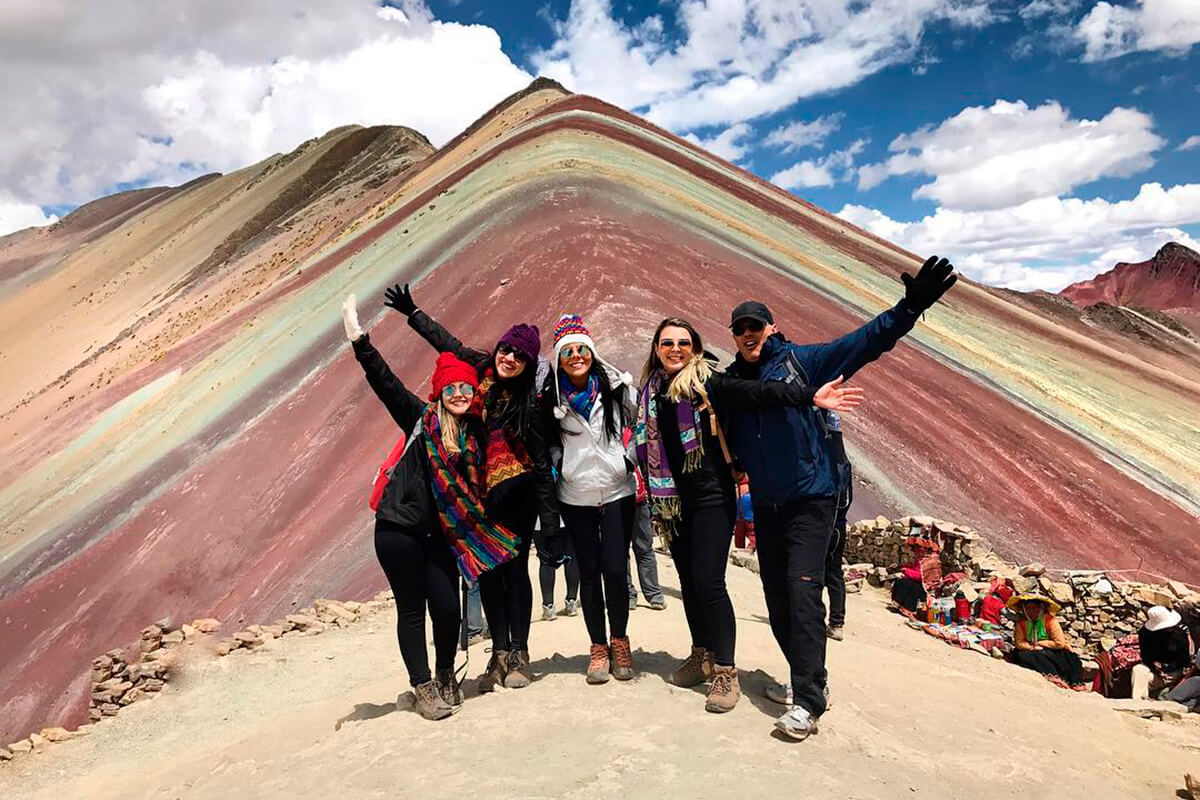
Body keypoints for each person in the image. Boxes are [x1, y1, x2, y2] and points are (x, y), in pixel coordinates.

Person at [722, 255, 957, 740]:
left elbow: (866, 342)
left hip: (812, 497)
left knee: (803, 591)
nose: (749, 334)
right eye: (740, 328)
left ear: (771, 327)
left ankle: (809, 702)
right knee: (777, 598)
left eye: (756, 326)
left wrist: (908, 309)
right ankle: (804, 679)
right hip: (766, 503)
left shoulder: (803, 363)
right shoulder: (734, 382)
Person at [634, 317, 864, 713]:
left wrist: (809, 396)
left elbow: (762, 393)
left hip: (711, 498)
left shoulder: (710, 383)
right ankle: (702, 652)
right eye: (667, 342)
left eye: (683, 343)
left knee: (708, 581)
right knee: (689, 581)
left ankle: (725, 670)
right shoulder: (650, 394)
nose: (675, 349)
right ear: (656, 348)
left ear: (695, 348)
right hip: (675, 501)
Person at [342, 294, 518, 719]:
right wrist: (359, 340)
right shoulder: (421, 420)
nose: (459, 393)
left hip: (441, 534)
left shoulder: (478, 435)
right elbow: (385, 382)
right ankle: (422, 688)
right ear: (439, 394)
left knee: (447, 608)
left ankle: (443, 676)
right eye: (451, 388)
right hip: (399, 528)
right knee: (412, 609)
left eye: (466, 388)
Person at [384, 284, 558, 692]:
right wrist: (413, 313)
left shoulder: (529, 404)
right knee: (488, 572)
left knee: (514, 572)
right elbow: (449, 345)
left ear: (529, 363)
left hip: (518, 497)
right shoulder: (479, 375)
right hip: (480, 494)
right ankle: (497, 654)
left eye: (519, 356)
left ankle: (518, 652)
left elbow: (541, 465)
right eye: (506, 350)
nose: (509, 358)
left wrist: (549, 521)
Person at [542, 313, 639, 684]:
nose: (576, 356)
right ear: (560, 359)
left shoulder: (616, 389)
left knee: (615, 568)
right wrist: (561, 465)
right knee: (589, 571)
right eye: (568, 352)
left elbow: (642, 421)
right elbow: (548, 442)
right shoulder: (553, 399)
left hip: (617, 490)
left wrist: (629, 458)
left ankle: (620, 640)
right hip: (576, 494)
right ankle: (597, 646)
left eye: (582, 349)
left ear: (592, 352)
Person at [1009, 593, 1083, 685]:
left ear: (1041, 608)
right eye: (1028, 608)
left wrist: (1040, 643)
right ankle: (1052, 675)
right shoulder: (1022, 623)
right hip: (1032, 650)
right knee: (1022, 655)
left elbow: (1059, 643)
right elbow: (1019, 643)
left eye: (1034, 608)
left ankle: (1074, 683)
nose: (1031, 611)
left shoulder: (1050, 621)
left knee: (1072, 659)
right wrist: (1031, 647)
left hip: (1053, 650)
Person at [823, 412, 851, 642]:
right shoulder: (844, 464)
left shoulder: (827, 462)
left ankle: (828, 620)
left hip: (826, 525)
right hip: (840, 525)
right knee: (834, 575)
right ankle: (836, 621)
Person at [627, 464, 667, 612]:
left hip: (640, 500)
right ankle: (628, 595)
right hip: (615, 502)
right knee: (619, 552)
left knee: (644, 549)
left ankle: (653, 594)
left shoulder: (637, 440)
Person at [1132, 605, 1194, 700]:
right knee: (1138, 670)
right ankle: (1139, 702)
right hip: (1155, 672)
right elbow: (1146, 657)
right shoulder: (1145, 634)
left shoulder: (1179, 635)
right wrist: (1155, 669)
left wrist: (1169, 671)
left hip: (1173, 673)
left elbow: (1185, 660)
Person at [536, 518, 580, 620]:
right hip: (565, 516)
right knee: (571, 557)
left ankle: (548, 606)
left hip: (540, 521)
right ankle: (571, 601)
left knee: (546, 562)